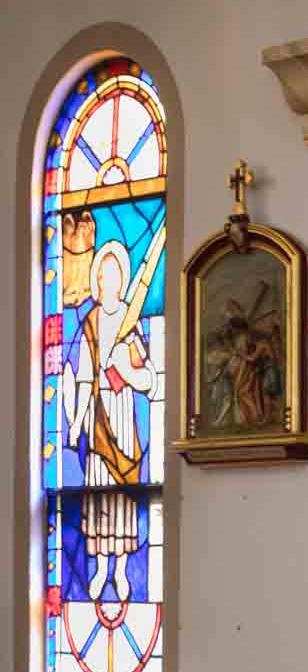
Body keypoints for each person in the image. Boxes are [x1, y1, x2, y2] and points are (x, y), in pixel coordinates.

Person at [62, 240, 157, 603]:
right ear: (98, 281)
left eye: (115, 273)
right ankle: (102, 564)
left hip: (124, 415)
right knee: (98, 487)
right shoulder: (90, 323)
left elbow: (149, 379)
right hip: (99, 416)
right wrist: (76, 422)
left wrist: (125, 370)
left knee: (125, 492)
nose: (109, 280)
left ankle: (120, 567)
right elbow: (85, 376)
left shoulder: (130, 323)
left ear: (123, 279)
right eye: (103, 274)